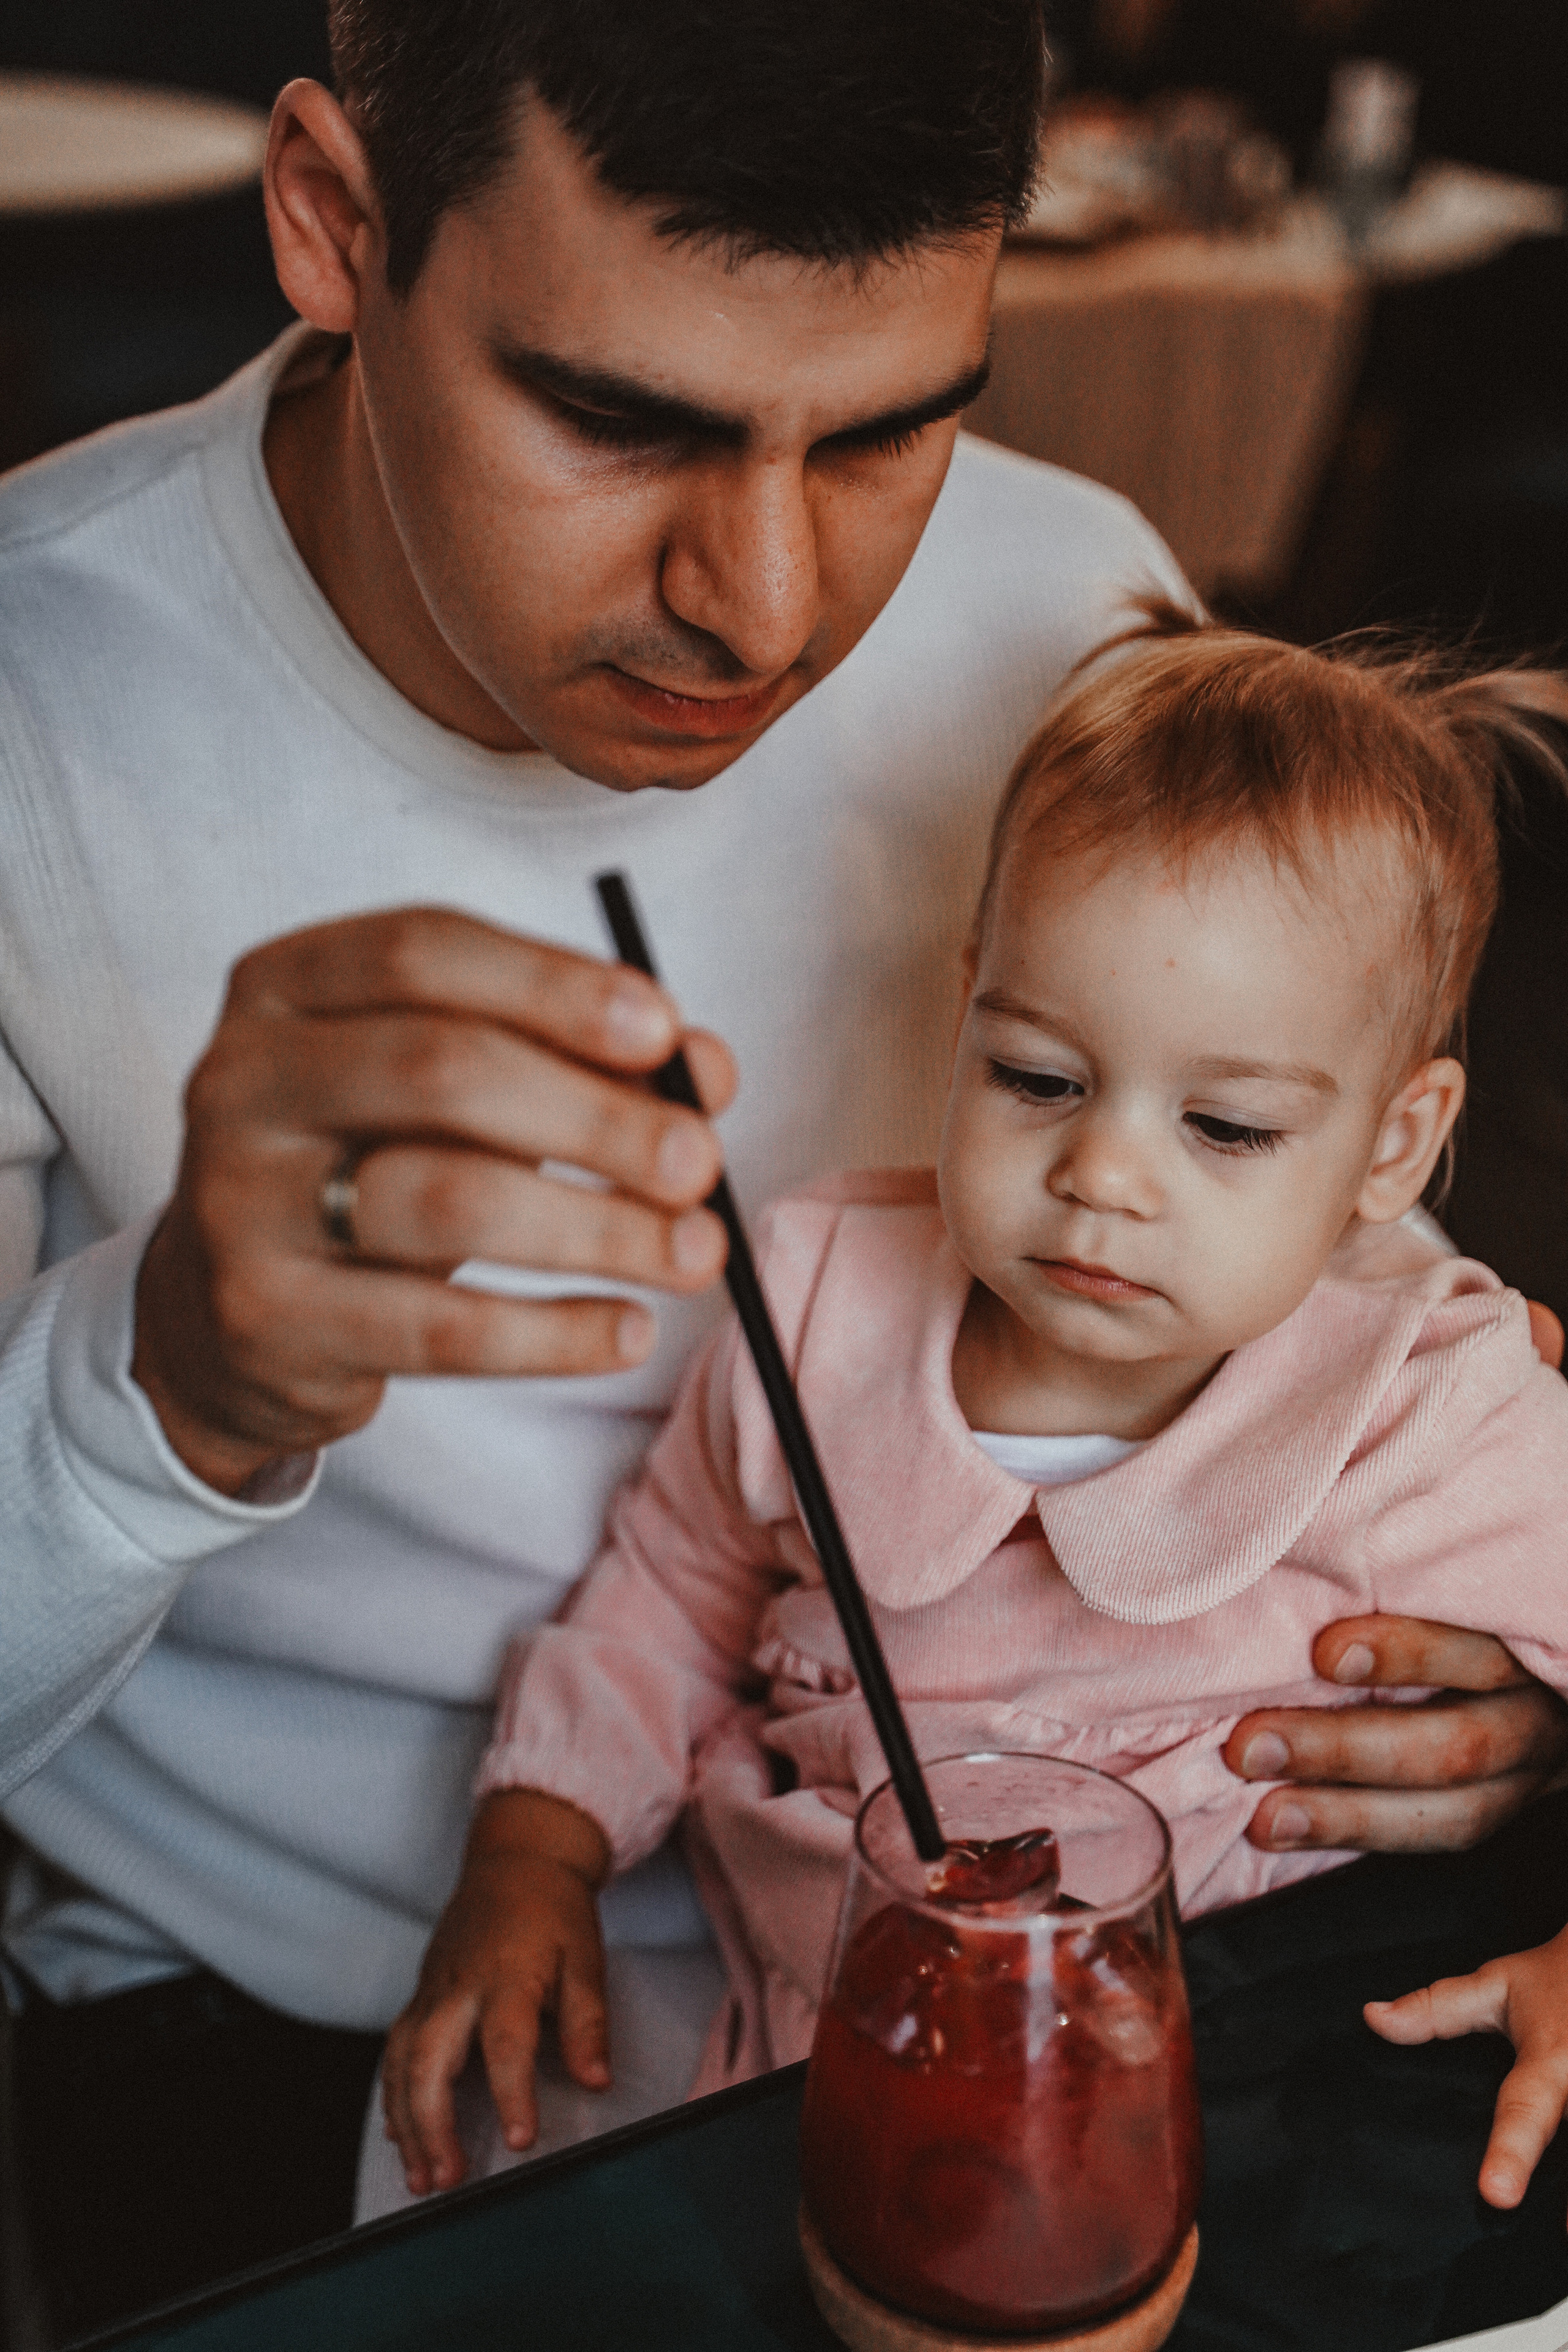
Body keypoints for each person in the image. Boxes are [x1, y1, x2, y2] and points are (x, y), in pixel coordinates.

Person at [0, 1, 1562, 2332]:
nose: (770, 607)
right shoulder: (33, 708)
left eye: (896, 427)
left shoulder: (1075, 597)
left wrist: (1487, 1693)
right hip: (325, 2026)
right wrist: (163, 1393)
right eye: (619, 418)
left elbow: (1323, 1230)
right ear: (334, 222)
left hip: (1114, 1962)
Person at [380, 603, 1568, 2216]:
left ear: (1393, 1145)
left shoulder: (1418, 1401)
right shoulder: (813, 1299)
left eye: (1223, 1125)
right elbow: (673, 1590)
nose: (1103, 1175)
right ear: (966, 1008)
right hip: (813, 2074)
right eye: (1037, 1078)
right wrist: (538, 1850)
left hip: (1249, 2103)